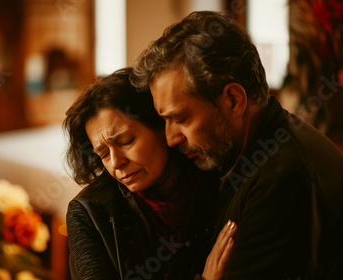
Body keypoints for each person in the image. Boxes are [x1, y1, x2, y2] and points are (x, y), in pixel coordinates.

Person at [130, 11, 343, 279]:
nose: (172, 138)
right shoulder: (257, 152)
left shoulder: (279, 181)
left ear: (233, 100)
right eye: (164, 121)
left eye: (180, 119)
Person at [64, 67, 234, 280]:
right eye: (104, 154)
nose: (116, 162)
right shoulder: (90, 213)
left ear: (162, 127)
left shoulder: (217, 182)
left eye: (126, 141)